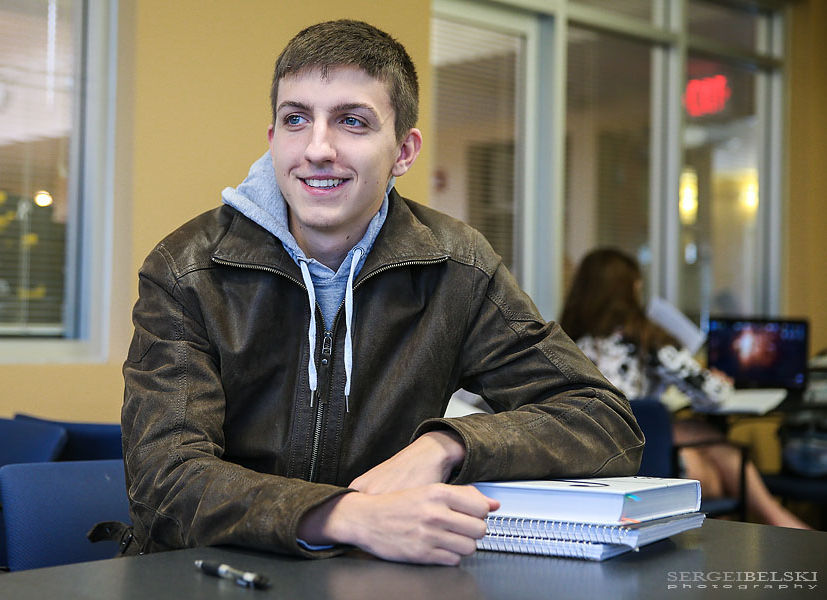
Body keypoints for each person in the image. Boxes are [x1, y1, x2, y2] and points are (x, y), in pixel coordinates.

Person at [121, 20, 644, 566]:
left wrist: (447, 445)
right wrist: (345, 515)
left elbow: (604, 421)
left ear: (403, 151)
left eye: (352, 121)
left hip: (377, 574)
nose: (317, 149)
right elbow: (164, 480)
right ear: (273, 140)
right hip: (210, 572)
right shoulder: (187, 268)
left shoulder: (455, 266)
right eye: (295, 119)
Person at [560, 247, 811, 529]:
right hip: (644, 460)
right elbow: (712, 395)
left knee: (694, 437)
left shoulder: (566, 344)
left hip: (595, 465)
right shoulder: (646, 339)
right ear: (630, 291)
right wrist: (720, 381)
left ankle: (765, 523)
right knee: (714, 467)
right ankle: (776, 519)